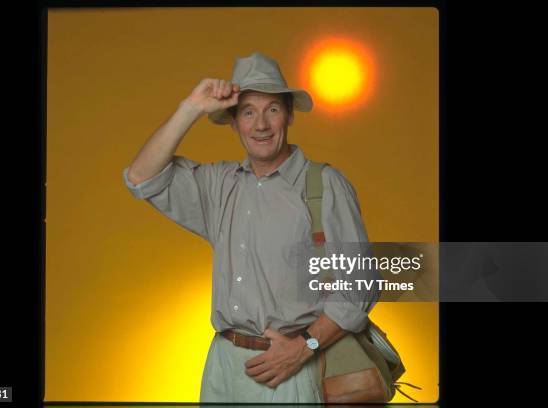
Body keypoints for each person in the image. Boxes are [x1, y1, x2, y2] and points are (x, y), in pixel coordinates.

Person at [123, 52, 379, 403]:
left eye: (272, 109)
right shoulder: (219, 184)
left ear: (289, 114)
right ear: (234, 122)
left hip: (288, 367)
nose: (260, 124)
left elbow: (360, 284)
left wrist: (305, 347)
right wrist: (191, 107)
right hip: (223, 365)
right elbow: (141, 178)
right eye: (248, 112)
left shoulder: (324, 185)